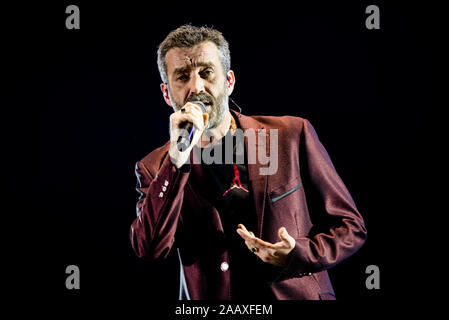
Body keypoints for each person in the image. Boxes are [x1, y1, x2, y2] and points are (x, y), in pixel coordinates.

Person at [130, 25, 367, 300]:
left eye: (207, 73)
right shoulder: (155, 167)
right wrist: (176, 162)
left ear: (229, 81)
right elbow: (149, 248)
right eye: (182, 77)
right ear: (167, 93)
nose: (196, 88)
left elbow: (351, 226)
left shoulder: (290, 135)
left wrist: (297, 254)